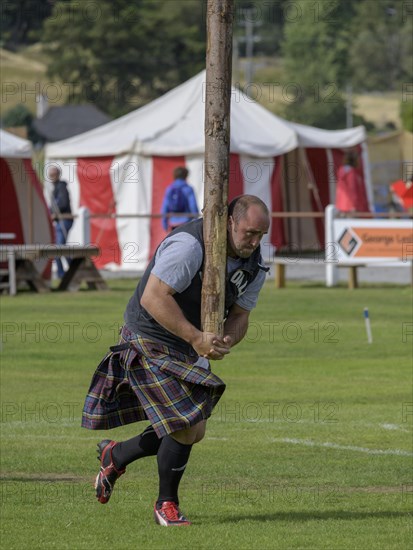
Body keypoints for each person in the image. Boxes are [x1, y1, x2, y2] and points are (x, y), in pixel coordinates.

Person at [81, 194, 270, 526]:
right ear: (229, 222)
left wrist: (226, 337)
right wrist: (196, 337)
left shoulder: (253, 264)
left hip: (186, 345)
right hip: (150, 336)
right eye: (249, 233)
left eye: (261, 236)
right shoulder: (190, 247)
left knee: (194, 430)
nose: (255, 243)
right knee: (185, 426)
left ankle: (117, 455)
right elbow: (153, 297)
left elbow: (241, 315)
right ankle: (165, 504)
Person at [48, 166, 73, 278]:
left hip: (65, 221)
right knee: (61, 249)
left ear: (58, 175)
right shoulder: (54, 189)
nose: (52, 177)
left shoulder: (61, 187)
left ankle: (63, 274)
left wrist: (54, 212)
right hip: (60, 221)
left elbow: (62, 204)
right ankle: (70, 272)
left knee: (58, 249)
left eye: (53, 175)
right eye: (50, 175)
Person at [161, 166, 199, 231]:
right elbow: (193, 206)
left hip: (173, 223)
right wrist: (196, 221)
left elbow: (165, 207)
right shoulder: (188, 188)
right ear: (186, 176)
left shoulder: (169, 189)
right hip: (186, 222)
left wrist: (164, 224)